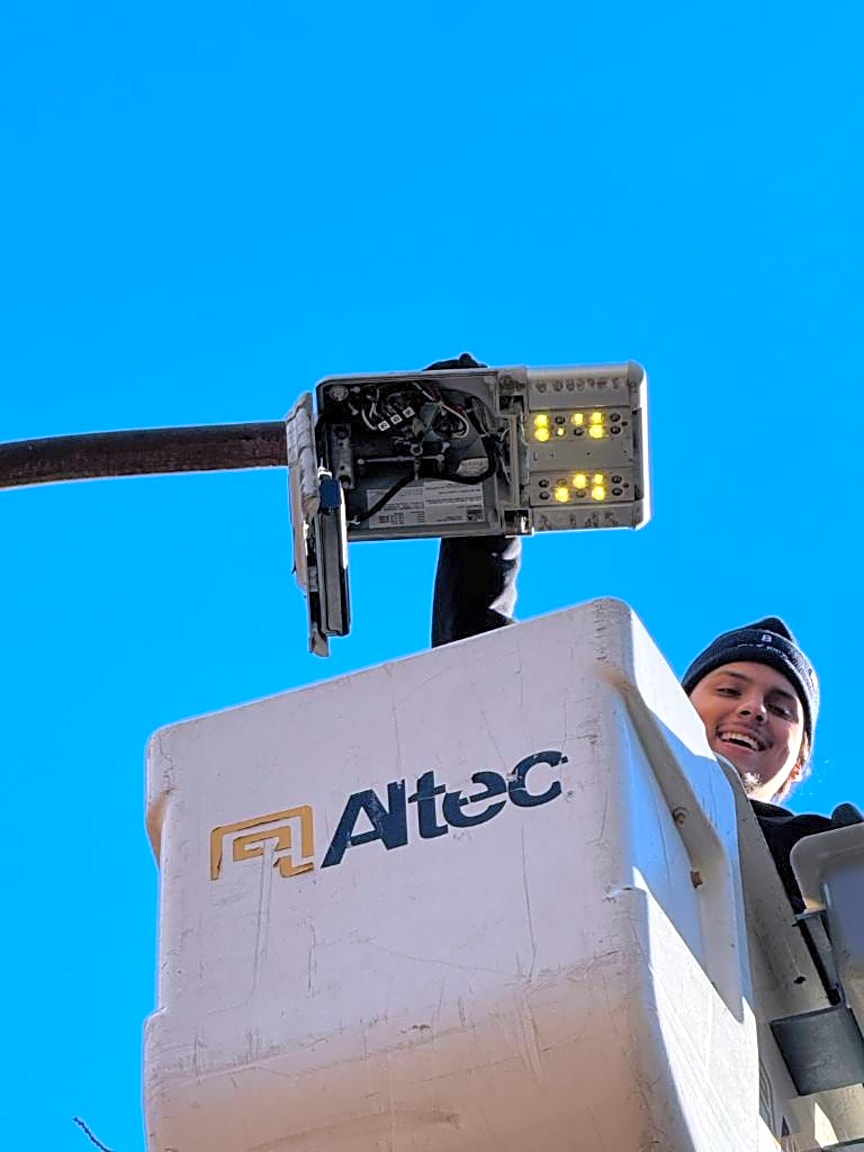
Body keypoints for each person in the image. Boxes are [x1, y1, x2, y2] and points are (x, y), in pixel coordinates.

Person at [424, 358, 859, 912]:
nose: (753, 709)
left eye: (780, 707)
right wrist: (482, 484)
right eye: (729, 689)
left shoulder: (824, 865)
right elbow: (477, 667)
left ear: (798, 765)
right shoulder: (589, 786)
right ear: (675, 709)